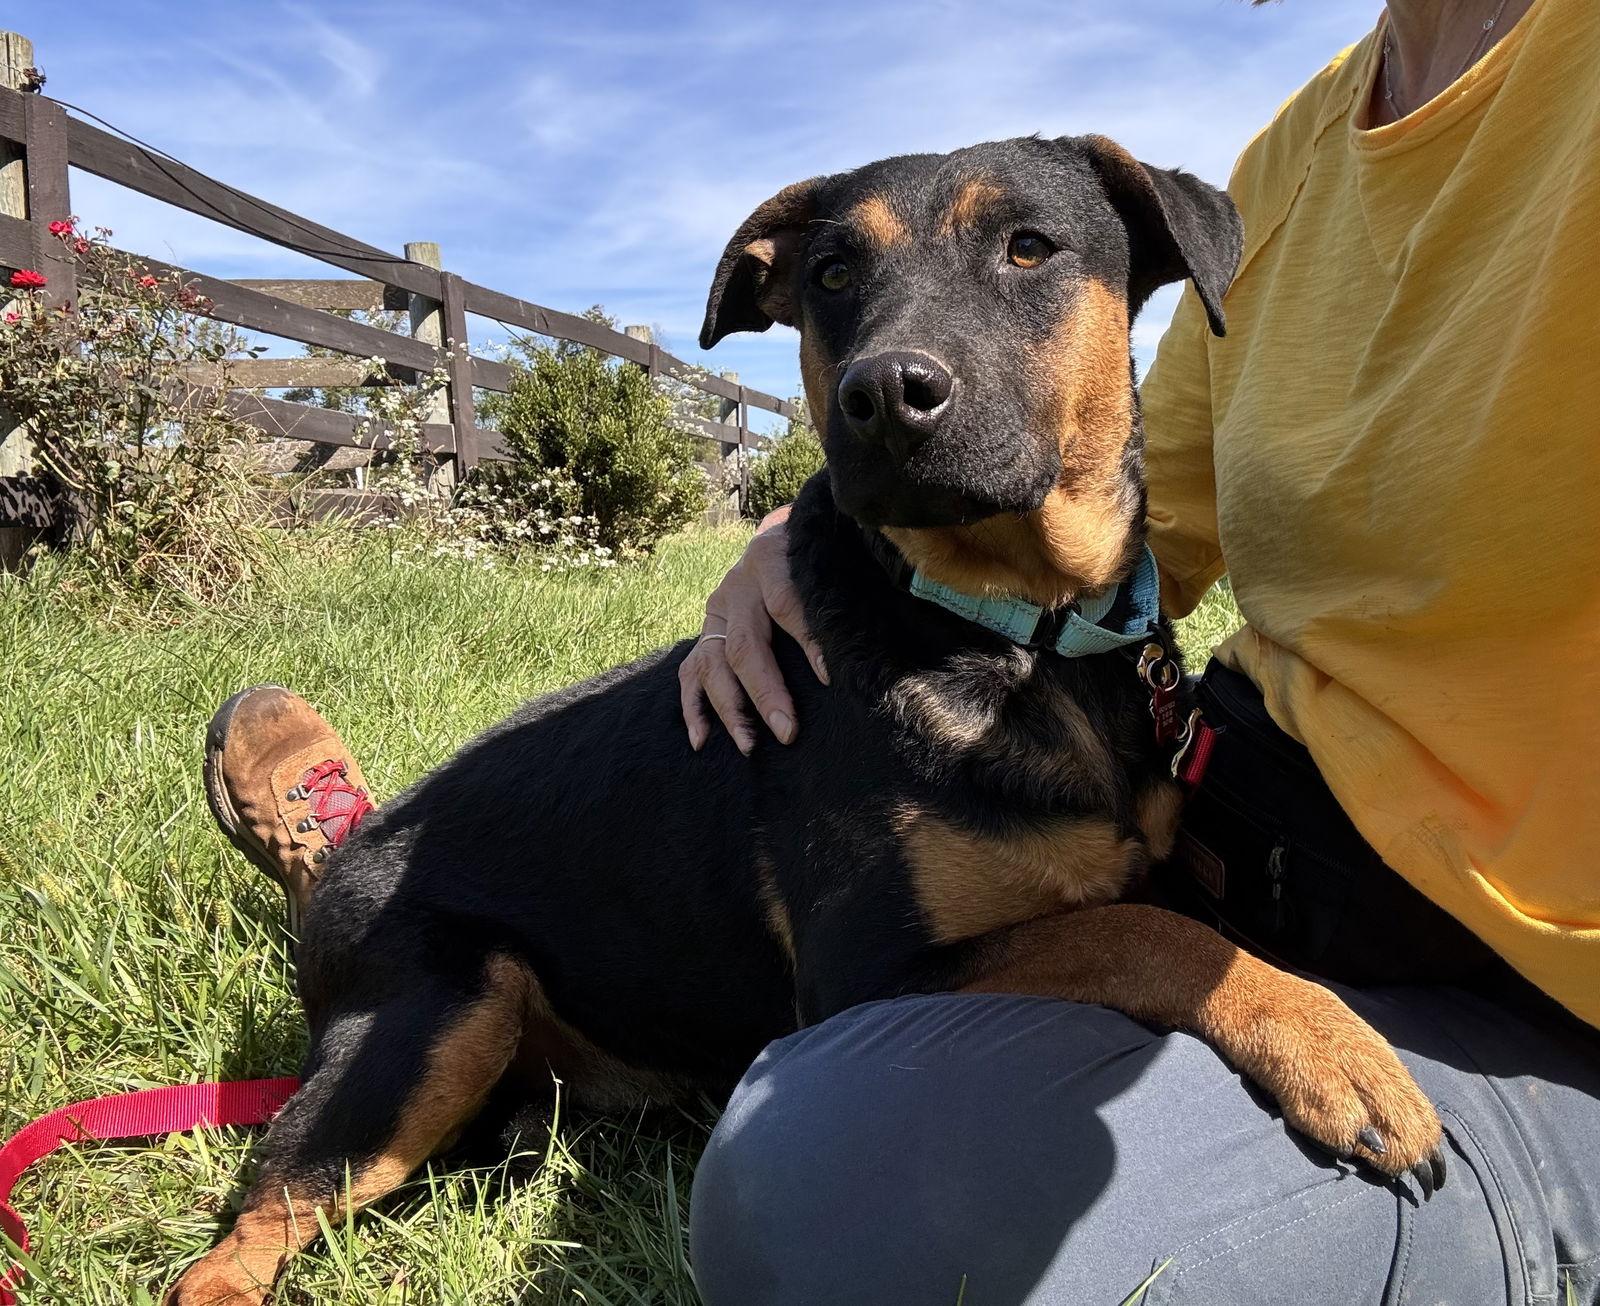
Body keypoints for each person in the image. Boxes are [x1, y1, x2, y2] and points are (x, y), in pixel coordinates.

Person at [209, 0, 1599, 1300]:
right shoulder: (1304, 151)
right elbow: (1162, 503)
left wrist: (1190, 962)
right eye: (841, 284)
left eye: (1026, 254)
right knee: (453, 1002)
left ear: (1150, 280)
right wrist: (786, 541)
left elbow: (1105, 501)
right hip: (491, 929)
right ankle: (356, 924)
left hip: (1527, 973)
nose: (901, 353)